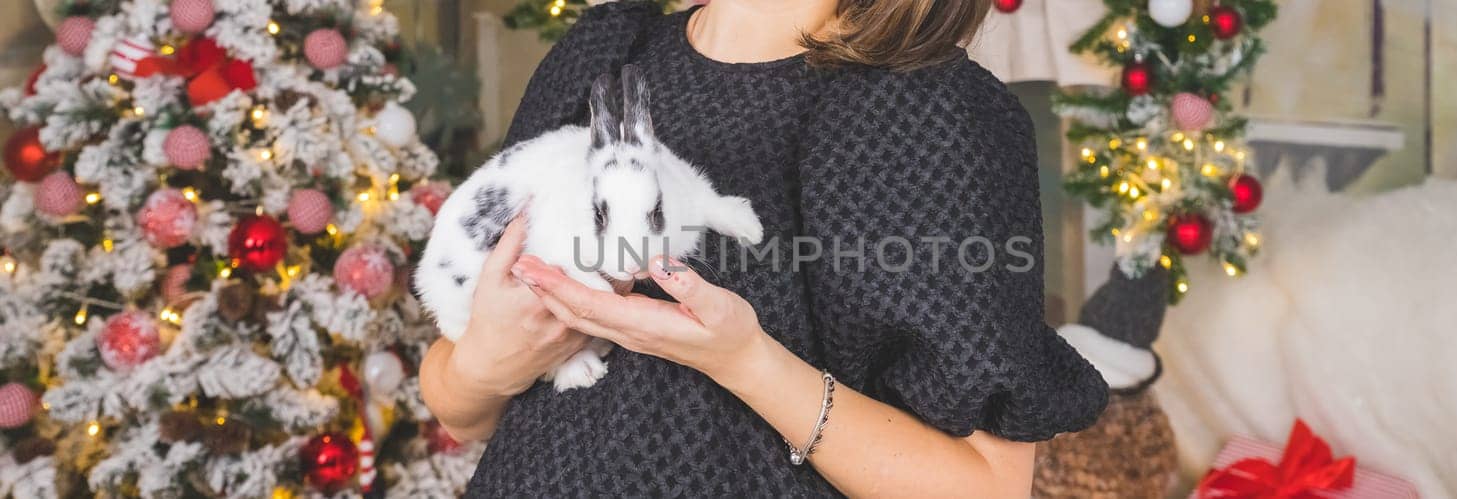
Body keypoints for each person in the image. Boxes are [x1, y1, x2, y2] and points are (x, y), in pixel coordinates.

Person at [418, 0, 1109, 496]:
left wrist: (747, 361)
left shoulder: (930, 114)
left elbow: (985, 486)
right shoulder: (602, 56)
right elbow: (456, 401)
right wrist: (488, 359)